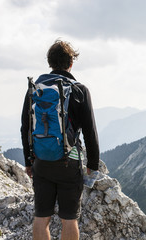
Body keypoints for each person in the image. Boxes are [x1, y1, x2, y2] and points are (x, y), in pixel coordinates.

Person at [21, 39, 100, 240]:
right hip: (69, 162)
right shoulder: (79, 89)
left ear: (50, 62)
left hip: (41, 161)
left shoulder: (35, 89)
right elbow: (90, 130)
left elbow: (26, 127)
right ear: (70, 63)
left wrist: (29, 161)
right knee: (69, 219)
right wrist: (92, 163)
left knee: (41, 217)